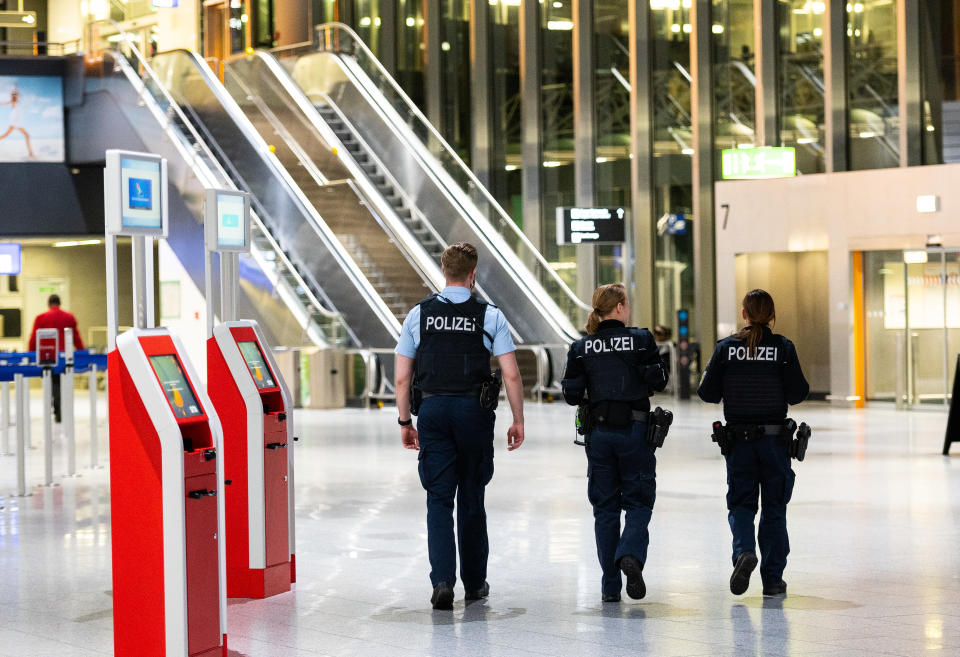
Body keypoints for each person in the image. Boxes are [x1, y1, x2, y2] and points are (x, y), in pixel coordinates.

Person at [394, 242, 525, 610]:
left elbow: (403, 379)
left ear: (443, 270)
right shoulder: (490, 315)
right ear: (472, 275)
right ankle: (475, 582)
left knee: (438, 499)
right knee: (471, 498)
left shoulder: (419, 315)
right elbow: (511, 375)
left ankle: (442, 582)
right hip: (473, 413)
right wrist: (518, 419)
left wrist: (406, 421)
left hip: (432, 411)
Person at [697, 289, 809, 598]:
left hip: (739, 443)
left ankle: (744, 551)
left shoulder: (726, 349)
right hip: (775, 442)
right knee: (774, 509)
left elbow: (707, 393)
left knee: (742, 504)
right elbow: (799, 393)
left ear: (744, 314)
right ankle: (772, 581)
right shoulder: (783, 348)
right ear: (772, 315)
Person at [561, 283, 669, 603]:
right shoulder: (641, 340)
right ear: (619, 307)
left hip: (599, 435)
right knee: (638, 501)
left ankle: (610, 587)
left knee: (605, 510)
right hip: (635, 432)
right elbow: (659, 380)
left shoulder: (582, 347)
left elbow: (570, 394)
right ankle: (631, 555)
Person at [28, 294, 84, 423]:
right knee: (65, 382)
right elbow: (76, 337)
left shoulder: (41, 318)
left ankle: (56, 408)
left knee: (53, 383)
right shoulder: (69, 317)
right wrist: (81, 352)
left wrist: (31, 355)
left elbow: (34, 338)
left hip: (49, 356)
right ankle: (62, 409)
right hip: (66, 357)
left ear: (49, 304)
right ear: (60, 303)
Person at [0, 86, 35, 160]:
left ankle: (30, 153)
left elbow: (18, 93)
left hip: (18, 123)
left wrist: (16, 88)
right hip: (14, 123)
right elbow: (3, 103)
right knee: (5, 135)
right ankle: (31, 153)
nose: (16, 95)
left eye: (16, 94)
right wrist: (14, 92)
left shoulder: (18, 101)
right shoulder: (13, 102)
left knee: (26, 136)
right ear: (13, 96)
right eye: (14, 94)